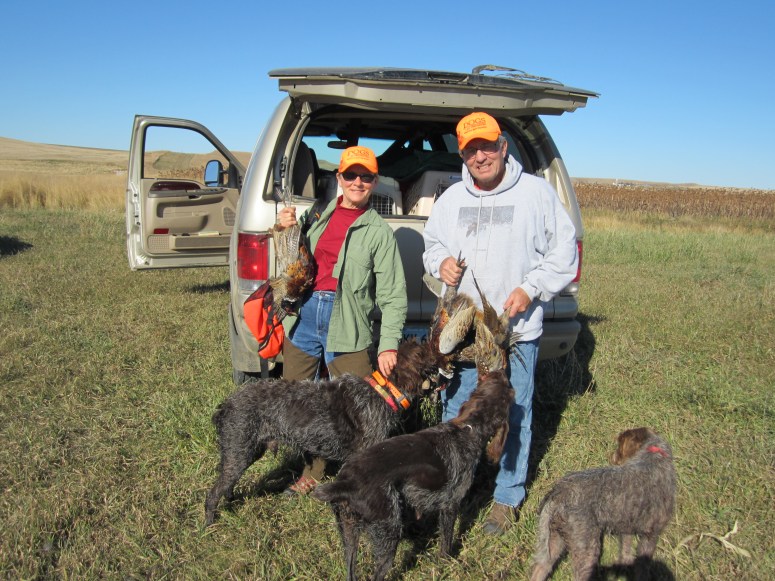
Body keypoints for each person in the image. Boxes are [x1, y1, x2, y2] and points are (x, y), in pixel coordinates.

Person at [422, 112, 579, 534]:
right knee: (454, 410)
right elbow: (431, 246)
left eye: (487, 145)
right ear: (462, 153)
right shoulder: (452, 199)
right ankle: (453, 484)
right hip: (462, 332)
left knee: (514, 413)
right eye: (471, 148)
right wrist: (443, 262)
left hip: (514, 333)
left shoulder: (536, 194)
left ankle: (506, 497)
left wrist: (530, 289)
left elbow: (564, 254)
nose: (480, 155)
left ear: (503, 146)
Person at [275, 145, 408, 494]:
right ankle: (310, 469)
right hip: (304, 315)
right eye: (351, 174)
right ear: (339, 177)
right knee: (298, 401)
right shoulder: (318, 213)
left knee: (357, 409)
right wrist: (285, 228)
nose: (358, 182)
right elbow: (292, 258)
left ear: (375, 182)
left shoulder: (378, 231)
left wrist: (389, 343)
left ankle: (360, 475)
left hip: (347, 322)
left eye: (366, 176)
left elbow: (393, 295)